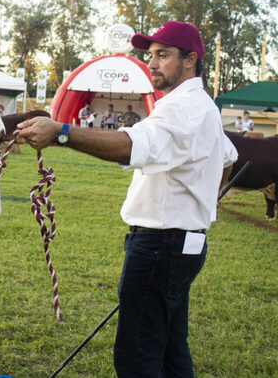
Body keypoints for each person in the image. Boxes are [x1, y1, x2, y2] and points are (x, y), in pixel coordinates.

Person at [16, 21, 238, 378]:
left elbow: (132, 145)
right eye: (150, 55)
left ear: (190, 60)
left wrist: (61, 132)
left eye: (163, 55)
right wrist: (204, 195)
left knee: (138, 357)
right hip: (183, 244)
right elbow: (228, 155)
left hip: (160, 246)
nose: (151, 63)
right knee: (170, 351)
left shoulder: (184, 108)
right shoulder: (202, 106)